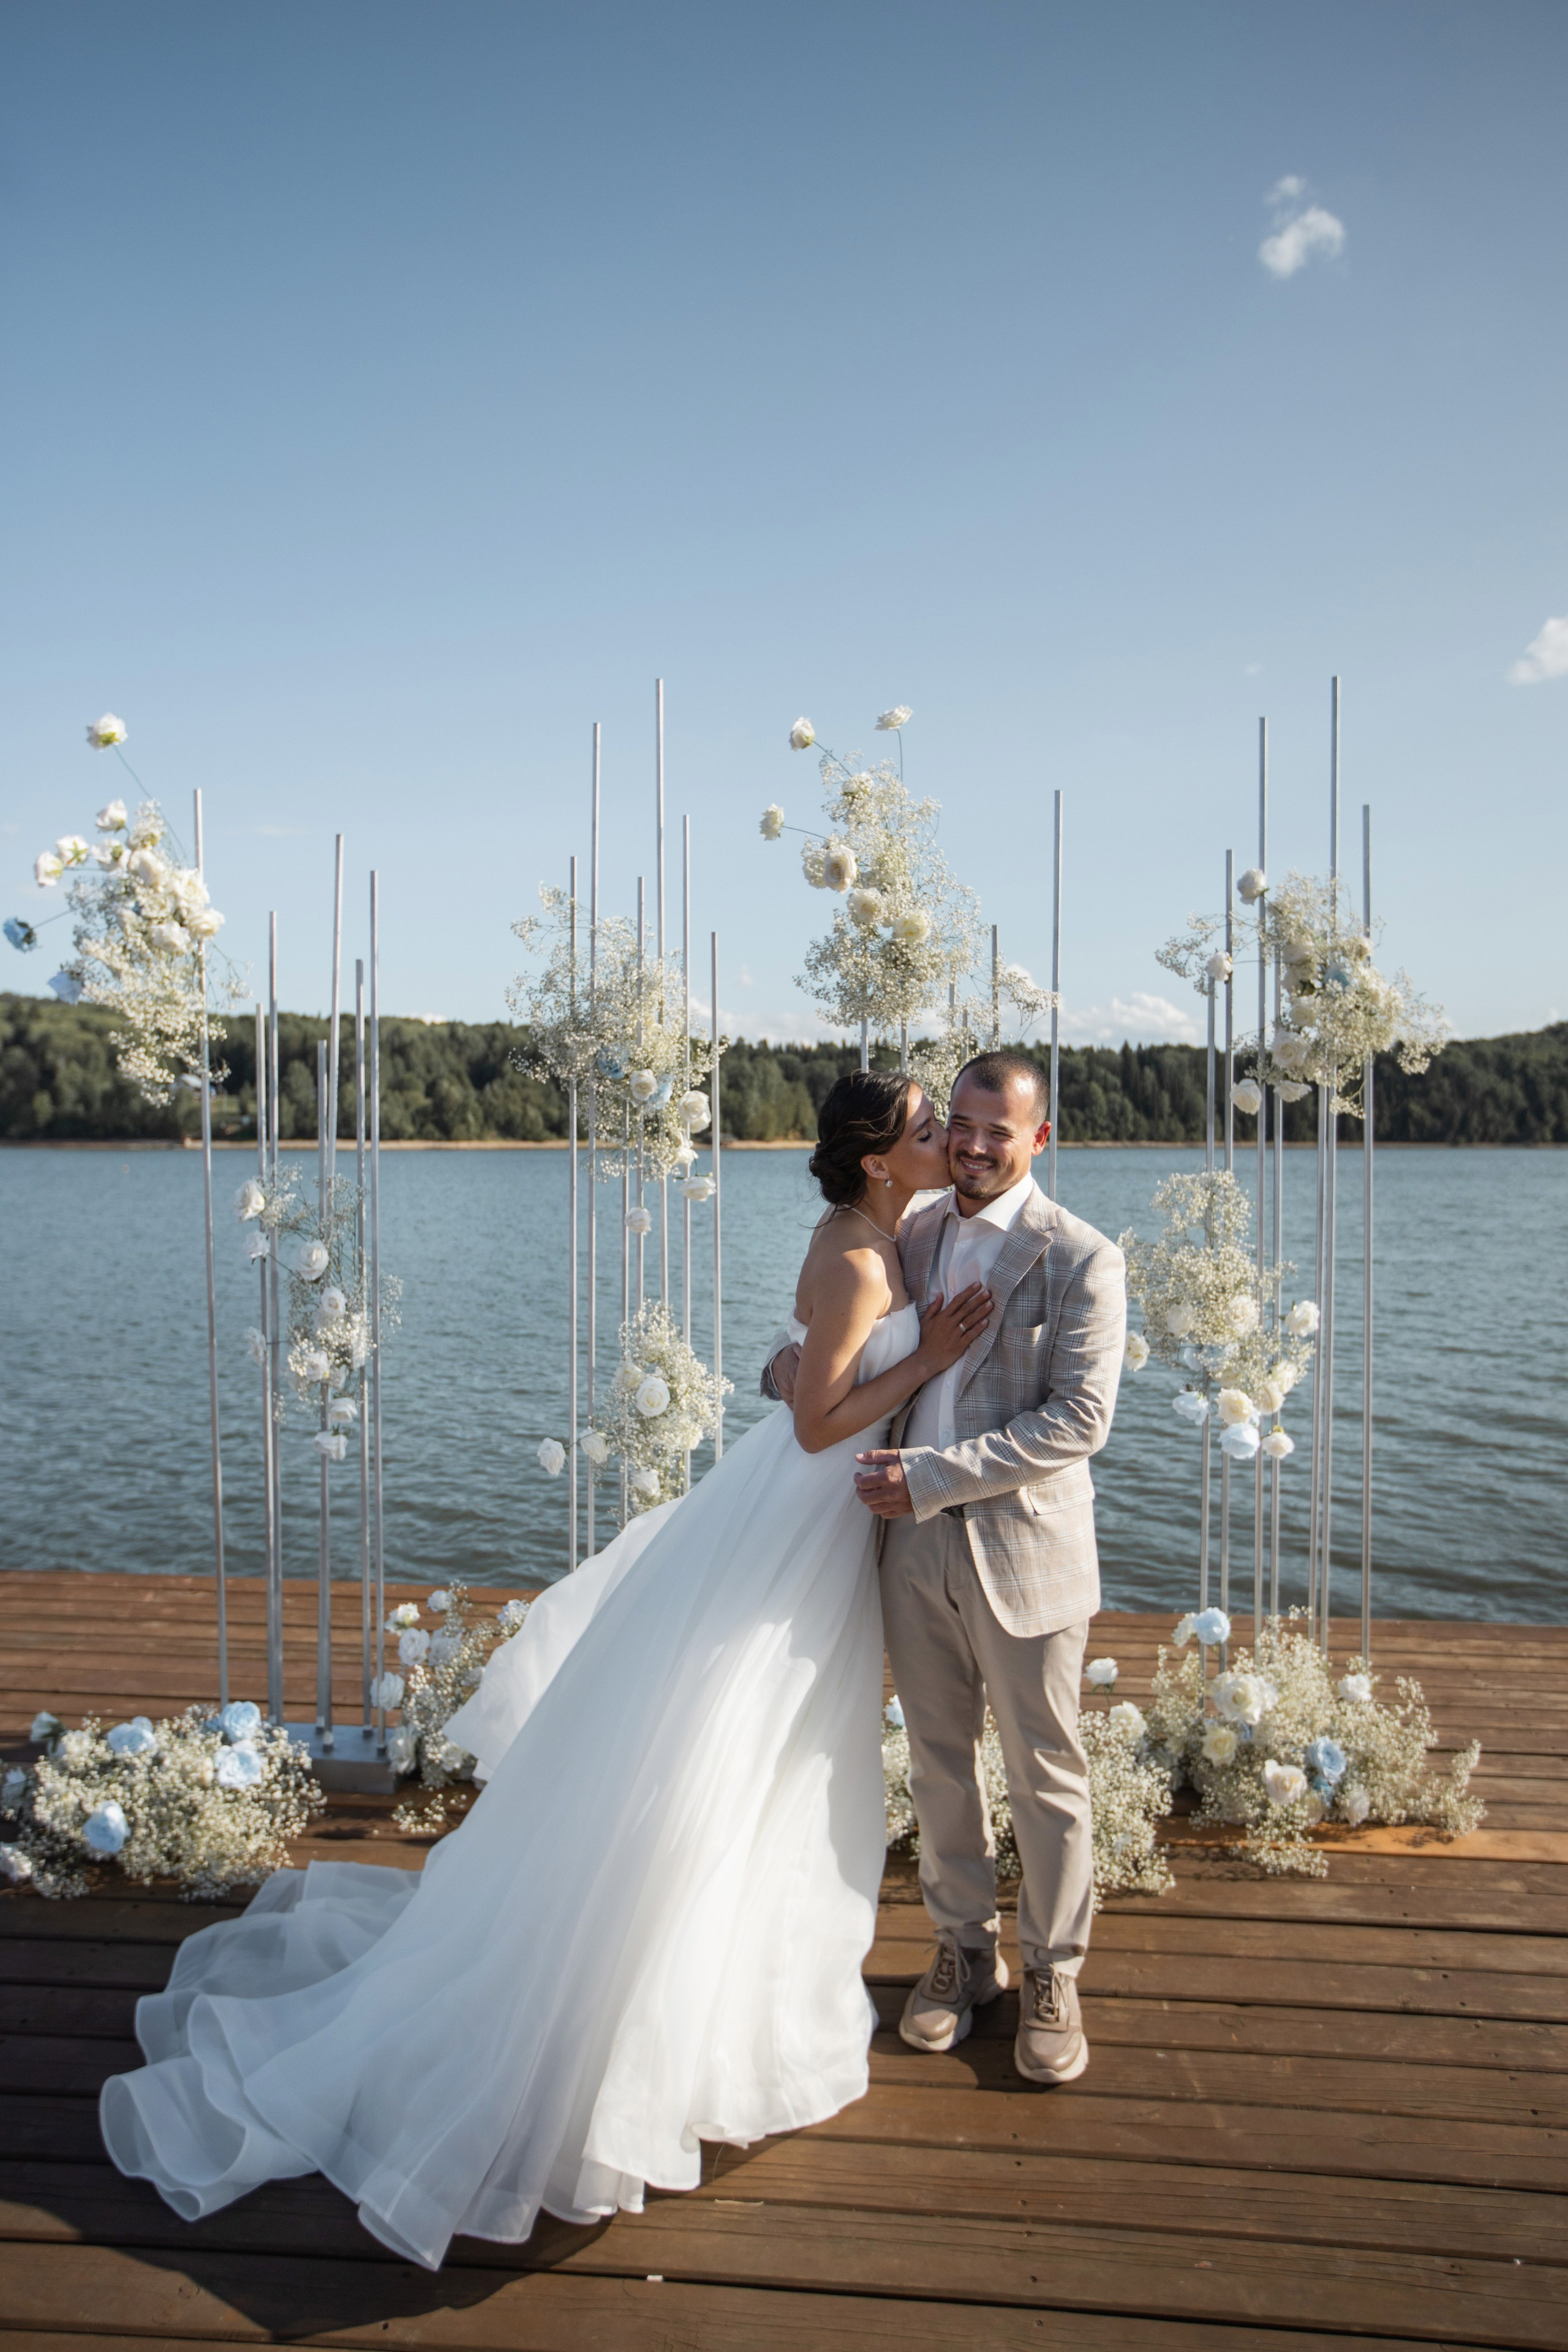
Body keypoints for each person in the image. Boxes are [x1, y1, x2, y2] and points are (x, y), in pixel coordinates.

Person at [99, 1070, 991, 2274]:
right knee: (726, 1755)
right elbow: (821, 1422)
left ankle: (734, 2009)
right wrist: (926, 1350)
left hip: (812, 1530)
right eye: (926, 1127)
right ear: (878, 1161)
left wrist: (825, 1360)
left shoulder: (880, 1233)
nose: (943, 1139)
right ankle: (633, 2040)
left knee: (778, 1757)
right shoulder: (856, 1259)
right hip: (799, 1519)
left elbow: (799, 1374)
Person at [764, 1052, 1126, 2086]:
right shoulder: (908, 1227)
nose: (969, 1145)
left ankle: (1055, 1971)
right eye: (957, 1125)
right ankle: (966, 1952)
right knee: (937, 1762)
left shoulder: (1082, 1260)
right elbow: (838, 1346)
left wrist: (933, 1477)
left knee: (1046, 1774)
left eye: (994, 1132)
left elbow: (1079, 1421)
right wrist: (780, 1365)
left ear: (1037, 1139)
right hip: (904, 1549)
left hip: (1022, 1549)